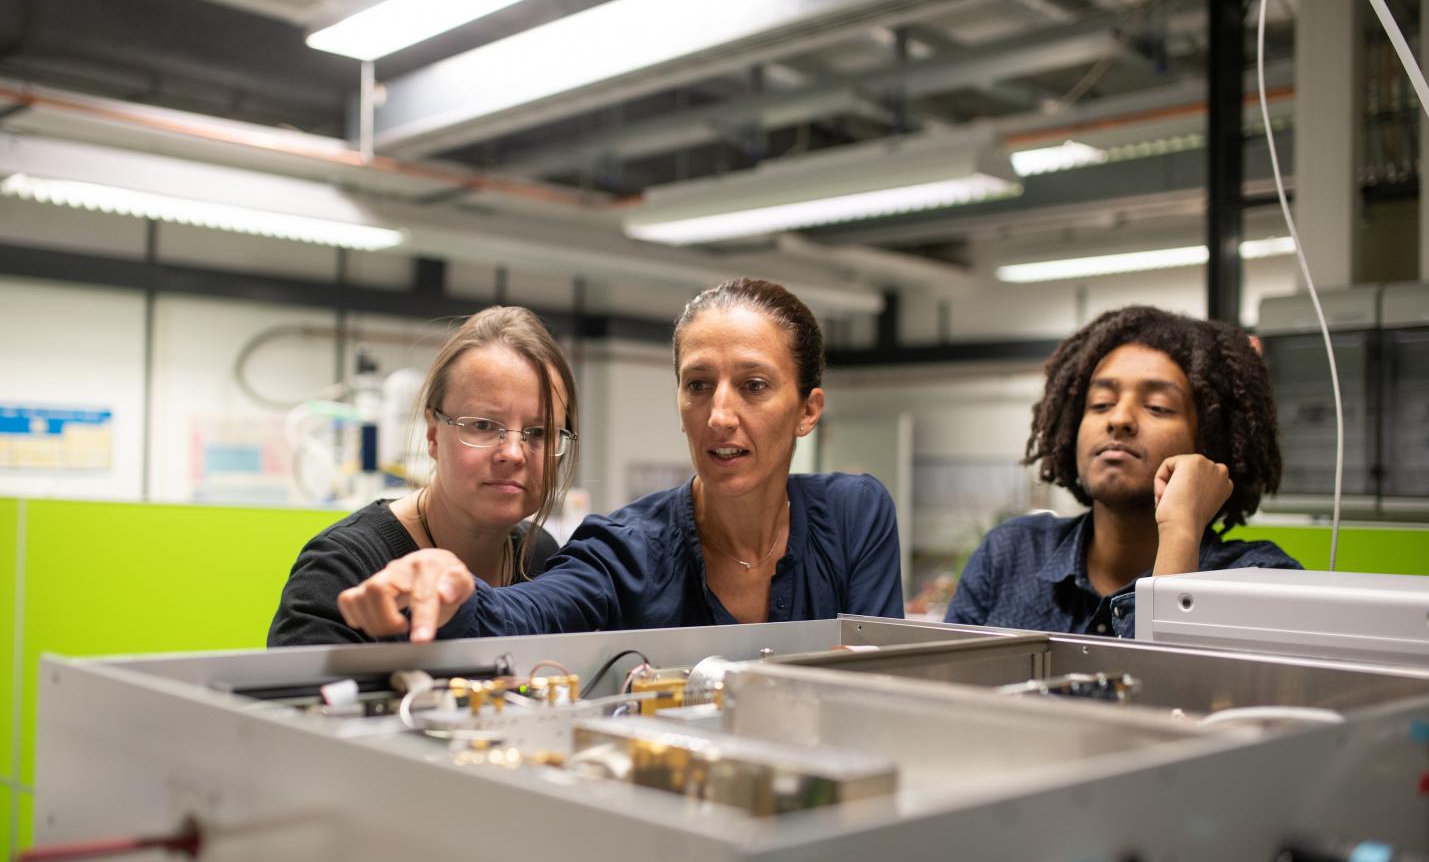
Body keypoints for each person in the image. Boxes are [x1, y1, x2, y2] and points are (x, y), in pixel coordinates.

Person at [335, 277, 904, 642]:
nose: (719, 415)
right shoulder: (626, 550)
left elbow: (888, 676)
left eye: (754, 386)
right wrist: (450, 589)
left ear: (808, 410)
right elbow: (529, 612)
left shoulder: (852, 517)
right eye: (698, 385)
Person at [945, 305, 1300, 638]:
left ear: (1211, 441)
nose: (1119, 419)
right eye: (1100, 404)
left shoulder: (1260, 581)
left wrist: (1180, 534)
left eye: (1158, 407)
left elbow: (1164, 680)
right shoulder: (1009, 554)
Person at [267, 306, 578, 646]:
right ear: (433, 434)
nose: (514, 453)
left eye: (539, 432)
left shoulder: (540, 557)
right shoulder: (343, 569)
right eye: (483, 426)